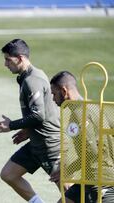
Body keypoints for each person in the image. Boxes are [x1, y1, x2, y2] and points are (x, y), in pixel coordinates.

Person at [0, 39, 61, 203]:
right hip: (36, 143)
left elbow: (39, 115)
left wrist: (12, 125)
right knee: (9, 174)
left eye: (8, 60)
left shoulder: (32, 80)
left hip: (49, 145)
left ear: (20, 58)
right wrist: (27, 131)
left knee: (69, 194)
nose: (5, 64)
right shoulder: (27, 76)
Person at [49, 70, 114, 203]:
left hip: (100, 178)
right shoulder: (92, 106)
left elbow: (93, 153)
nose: (53, 99)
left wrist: (68, 170)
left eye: (54, 94)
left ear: (64, 91)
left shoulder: (80, 113)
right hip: (88, 175)